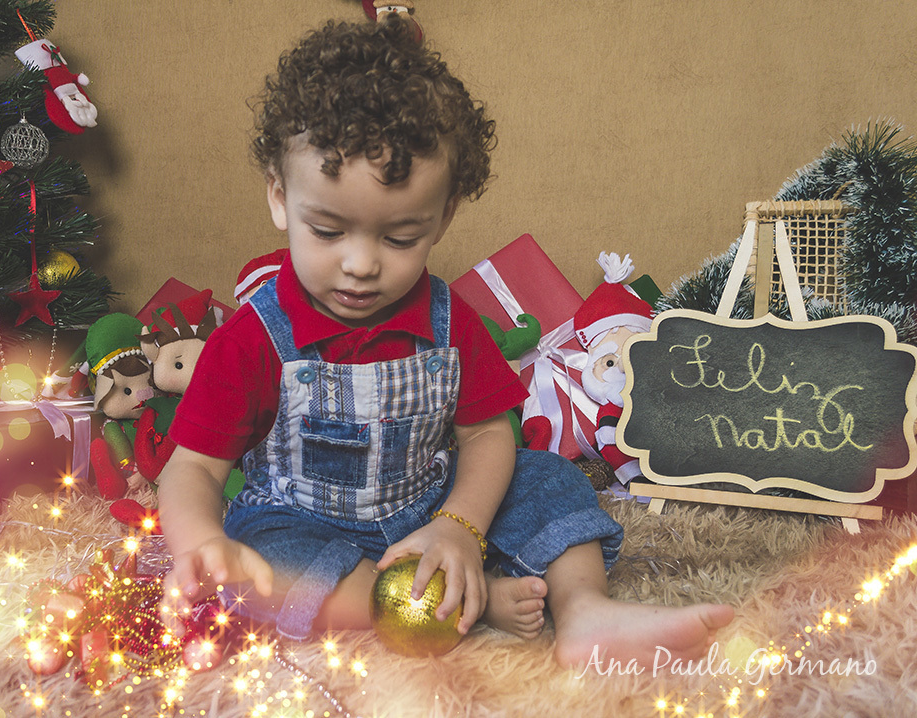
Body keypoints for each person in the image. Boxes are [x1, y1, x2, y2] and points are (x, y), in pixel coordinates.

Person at [158, 15, 733, 667]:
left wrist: (460, 525)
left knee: (546, 476)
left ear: (444, 215)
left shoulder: (445, 318)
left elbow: (488, 433)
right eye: (327, 231)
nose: (361, 263)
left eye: (400, 238)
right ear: (279, 197)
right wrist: (200, 540)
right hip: (303, 520)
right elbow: (194, 468)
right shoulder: (254, 335)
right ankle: (469, 601)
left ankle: (584, 611)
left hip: (426, 507)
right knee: (258, 566)